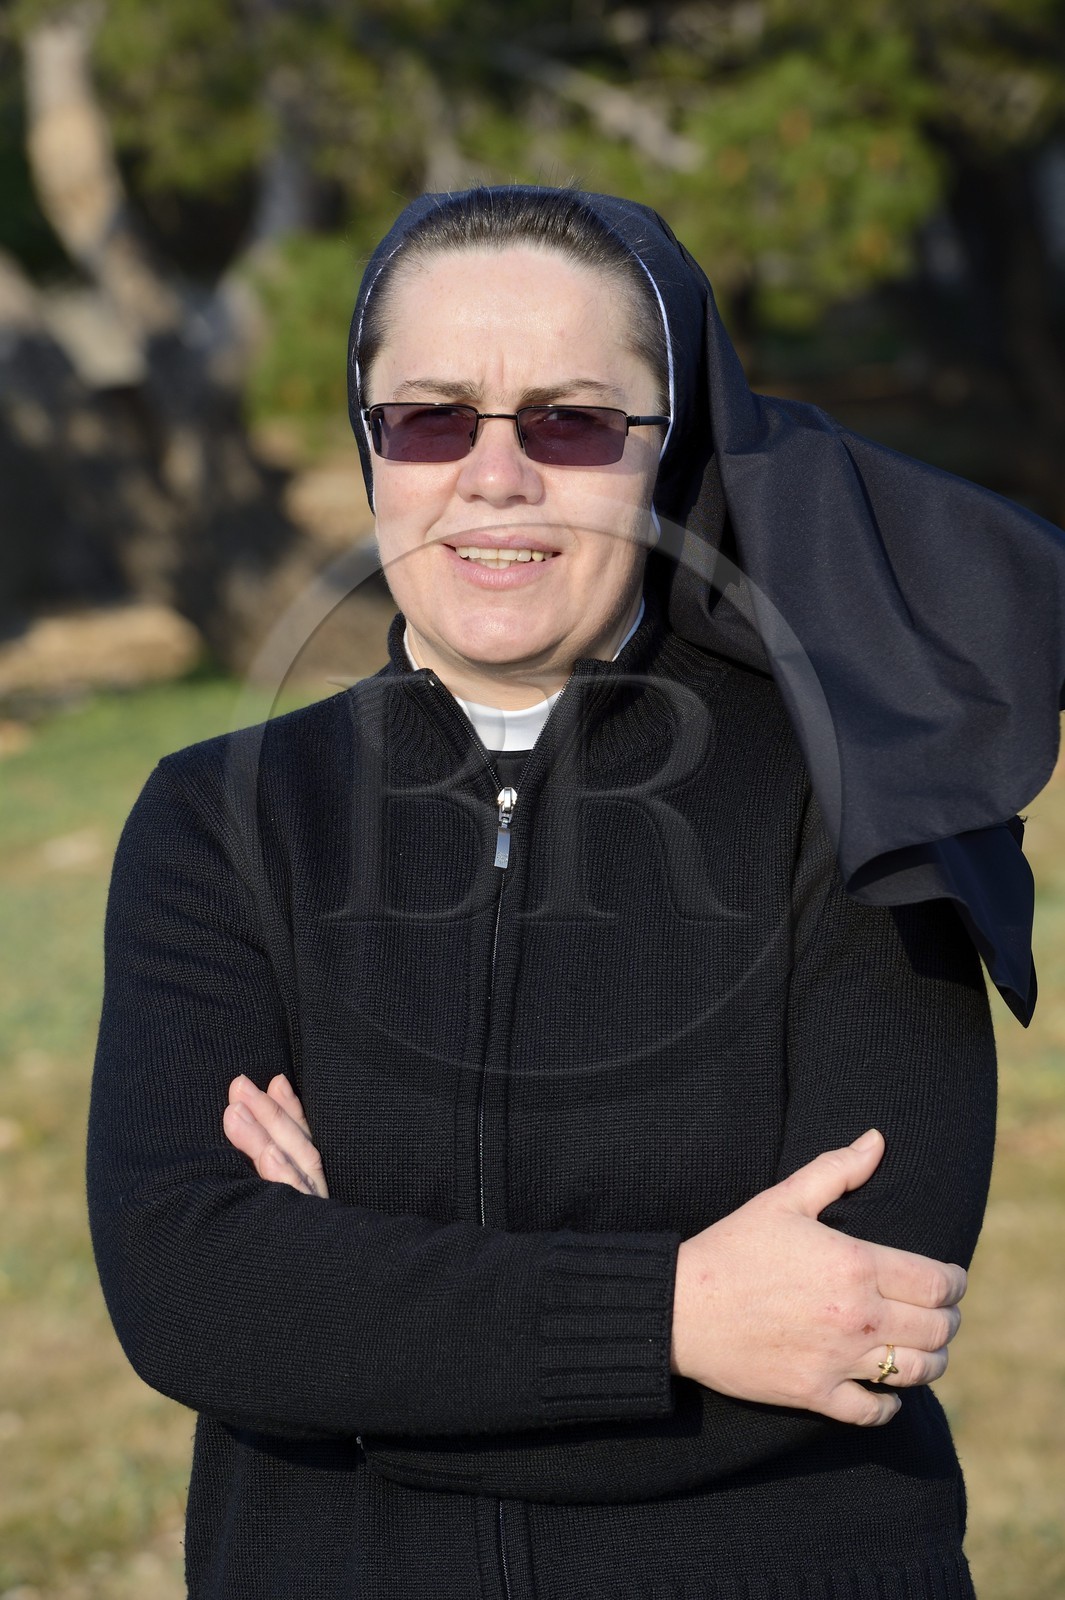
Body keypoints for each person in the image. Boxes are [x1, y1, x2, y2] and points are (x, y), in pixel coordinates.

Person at [88, 184, 1064, 1600]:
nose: (494, 478)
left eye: (570, 422)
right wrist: (678, 1311)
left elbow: (861, 1318)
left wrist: (345, 1337)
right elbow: (192, 1298)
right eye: (428, 418)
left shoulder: (851, 795)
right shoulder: (220, 817)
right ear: (367, 445)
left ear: (664, 459)